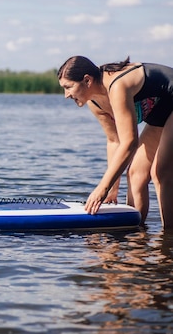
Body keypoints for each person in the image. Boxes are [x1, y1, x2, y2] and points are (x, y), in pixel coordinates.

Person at [57, 56, 173, 228]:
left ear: (87, 80)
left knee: (160, 171)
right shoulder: (95, 103)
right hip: (160, 113)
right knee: (135, 174)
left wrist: (102, 188)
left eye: (68, 87)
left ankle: (168, 242)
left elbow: (130, 142)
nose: (66, 95)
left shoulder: (117, 86)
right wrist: (113, 189)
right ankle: (135, 240)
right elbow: (114, 141)